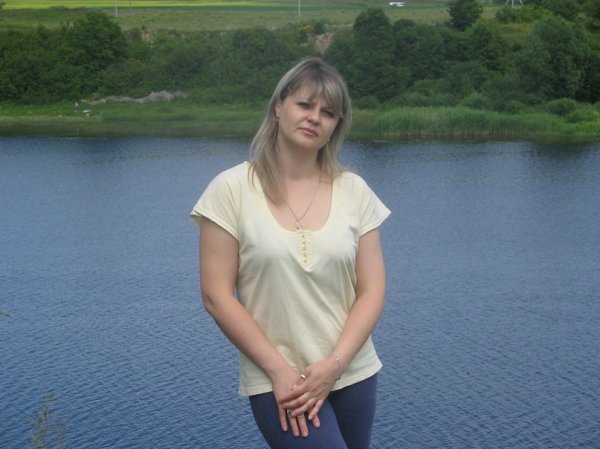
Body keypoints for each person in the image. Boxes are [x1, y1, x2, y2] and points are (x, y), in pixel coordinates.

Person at [190, 57, 390, 449]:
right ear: (279, 106)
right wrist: (279, 371)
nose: (315, 117)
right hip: (280, 381)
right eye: (305, 105)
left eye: (328, 113)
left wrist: (334, 365)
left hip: (352, 372)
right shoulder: (231, 189)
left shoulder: (354, 190)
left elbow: (372, 291)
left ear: (336, 126)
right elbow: (216, 296)